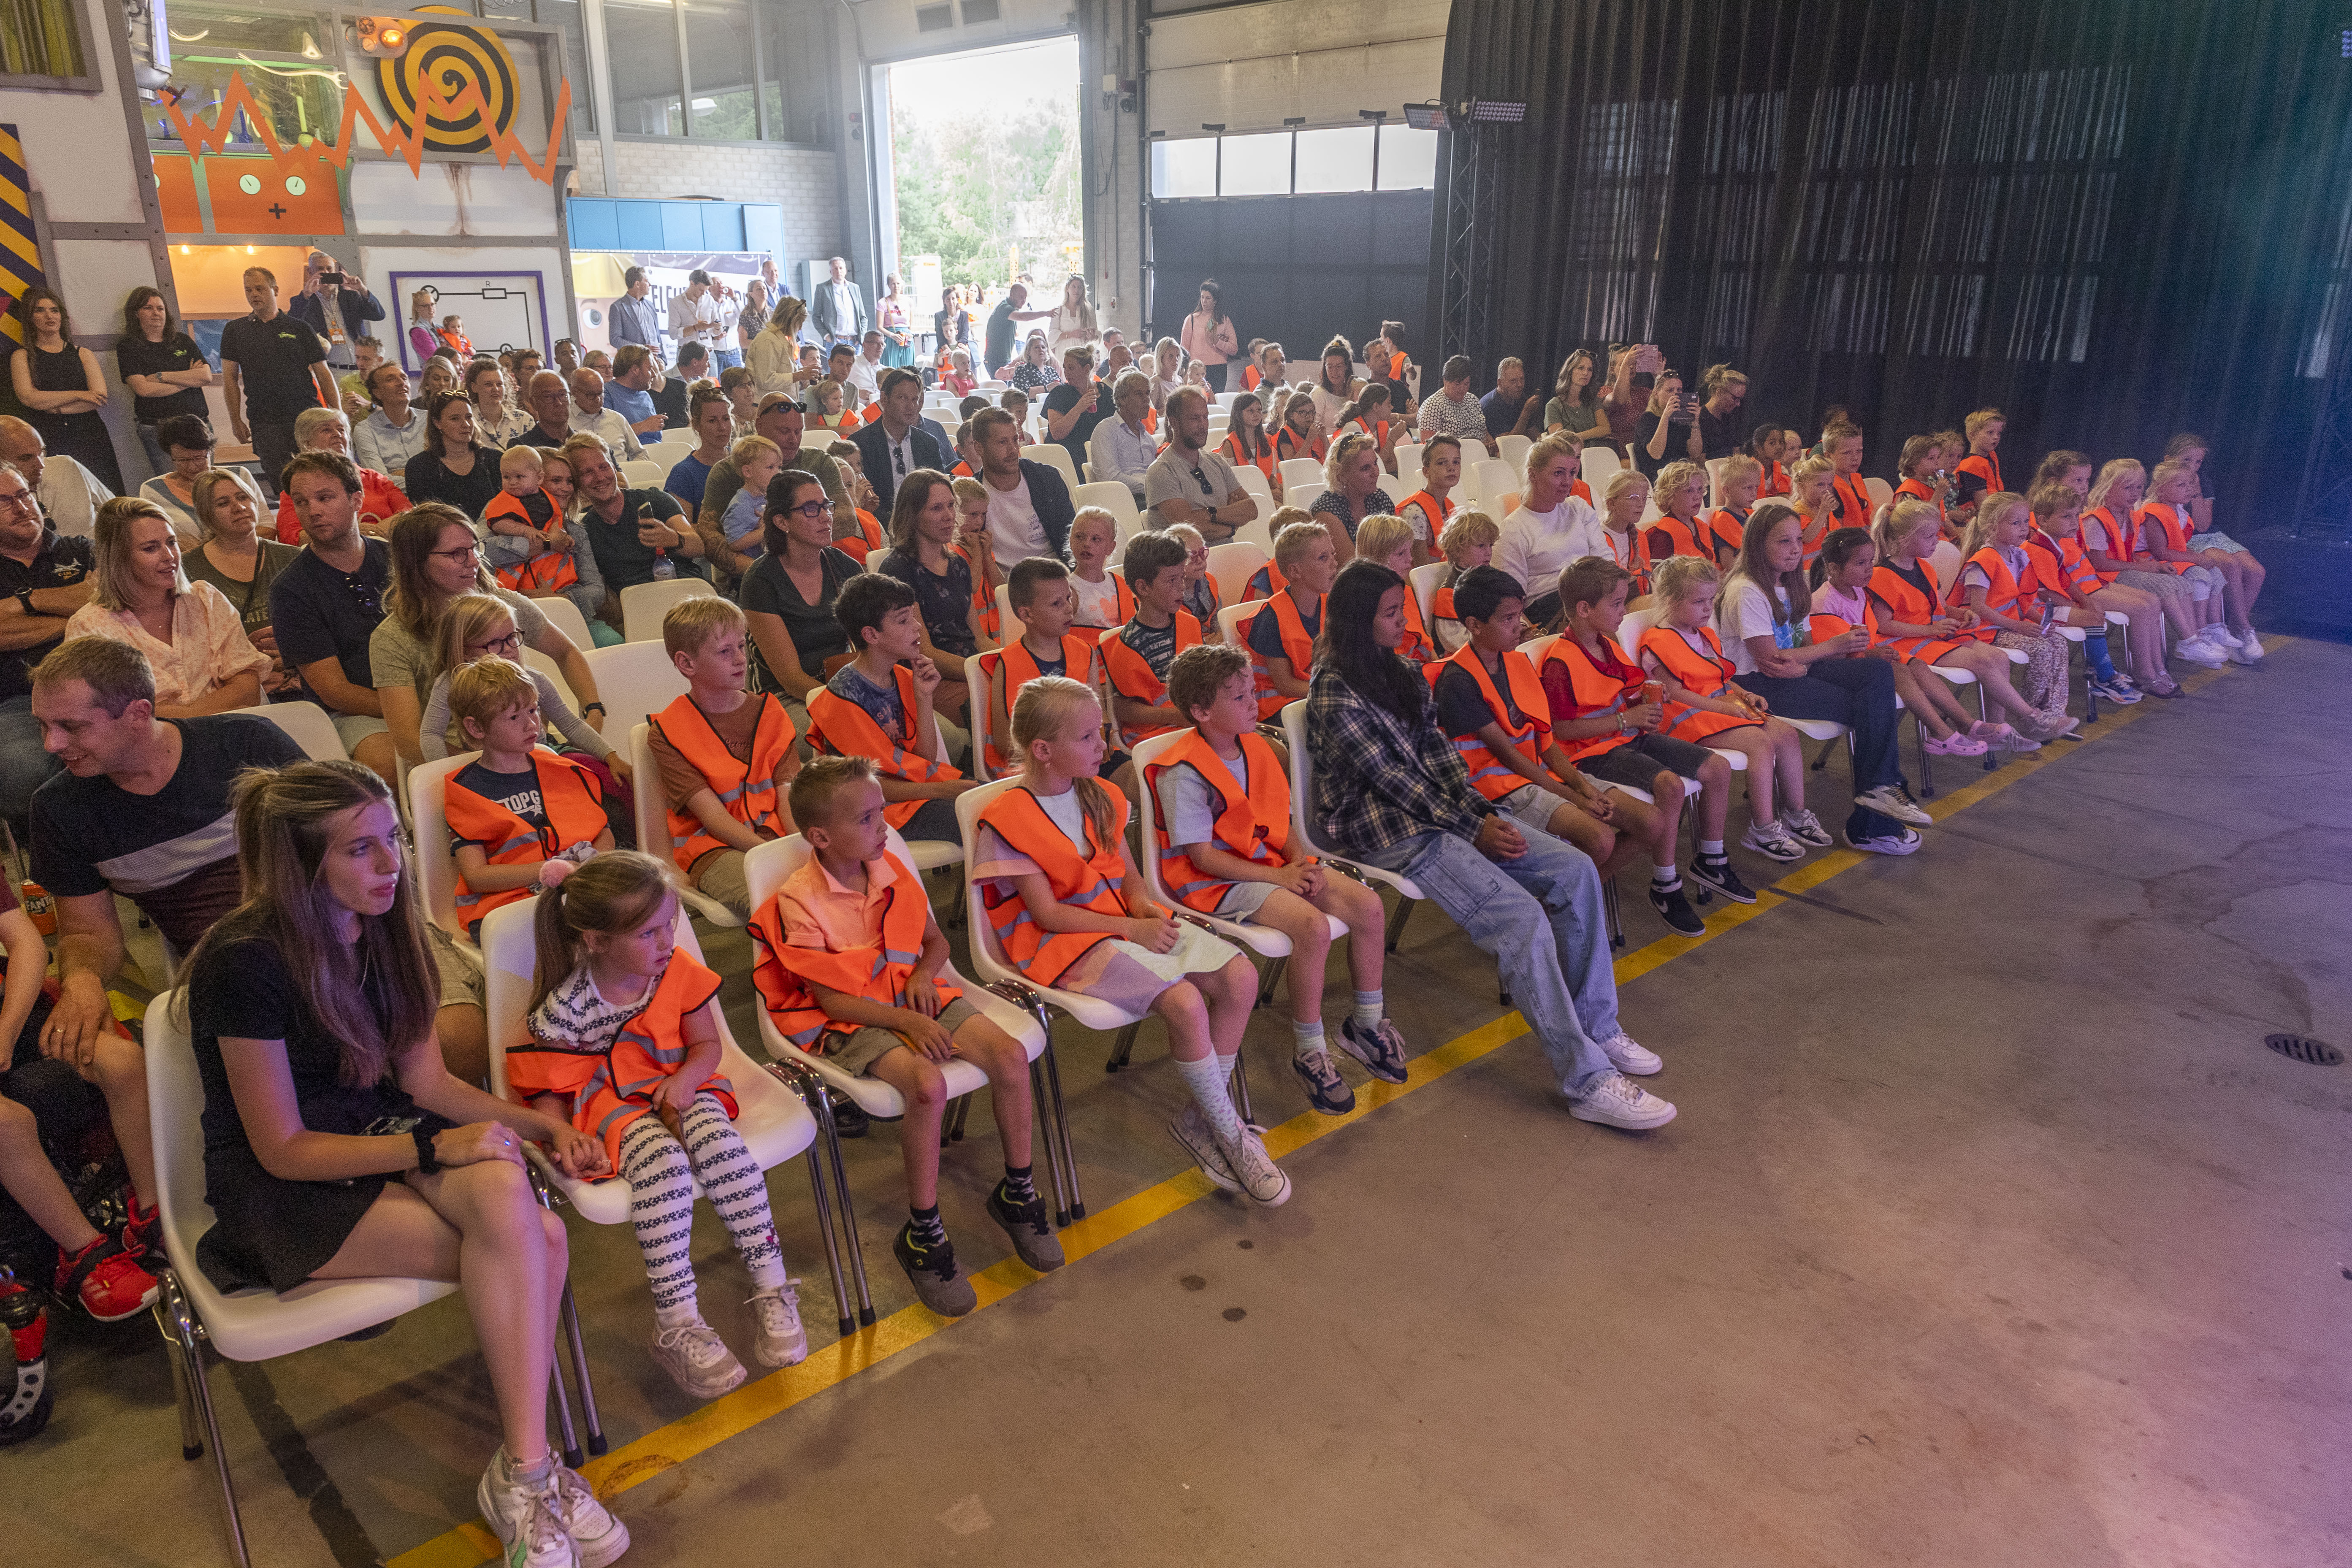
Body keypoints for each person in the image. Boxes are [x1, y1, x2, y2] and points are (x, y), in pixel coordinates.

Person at [177, 759, 617, 1568]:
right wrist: (427, 1147)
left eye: (393, 842)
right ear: (300, 864)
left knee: (502, 1184)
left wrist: (534, 1126)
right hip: (287, 1186)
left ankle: (523, 1471)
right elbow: (281, 1146)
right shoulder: (242, 962)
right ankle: (528, 1474)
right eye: (361, 851)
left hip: (382, 1135)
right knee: (538, 1243)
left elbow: (428, 1084)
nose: (391, 868)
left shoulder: (386, 927)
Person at [1305, 560, 1673, 1127]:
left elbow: (1439, 758)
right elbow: (1391, 782)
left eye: (1402, 608)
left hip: (1444, 815)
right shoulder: (1334, 689)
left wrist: (1480, 811)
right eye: (1389, 613)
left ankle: (1597, 1028)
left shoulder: (1401, 670)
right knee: (1521, 918)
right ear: (1358, 621)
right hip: (1390, 832)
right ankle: (1588, 1081)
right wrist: (1471, 824)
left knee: (1574, 870)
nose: (1403, 621)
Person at [978, 675, 1278, 1197]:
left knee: (1241, 975)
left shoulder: (1102, 795)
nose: (1105, 746)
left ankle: (1202, 1120)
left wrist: (1144, 911)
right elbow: (1046, 915)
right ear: (1044, 750)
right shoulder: (1007, 817)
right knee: (1185, 1003)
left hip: (1122, 922)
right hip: (1063, 943)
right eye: (1090, 737)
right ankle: (1229, 1133)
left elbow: (1132, 881)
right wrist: (1131, 926)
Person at [1152, 636, 1409, 1122]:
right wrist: (1280, 875)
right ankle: (1310, 1048)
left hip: (1274, 866)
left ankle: (1367, 1024)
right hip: (1217, 883)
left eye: (1253, 692)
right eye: (1241, 697)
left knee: (1369, 906)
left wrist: (1301, 863)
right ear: (1201, 711)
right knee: (1311, 928)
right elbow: (1202, 856)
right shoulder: (1182, 770)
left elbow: (1280, 821)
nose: (1255, 703)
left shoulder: (1259, 746)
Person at [28, 637, 302, 1048]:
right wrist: (82, 980)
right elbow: (89, 934)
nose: (52, 744)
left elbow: (338, 845)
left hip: (317, 939)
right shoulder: (59, 809)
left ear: (139, 714)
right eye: (43, 725)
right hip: (228, 986)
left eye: (72, 726)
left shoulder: (246, 745)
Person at [0, 858, 165, 1323]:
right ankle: (83, 1253)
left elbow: (26, 943)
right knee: (9, 1123)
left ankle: (152, 1218)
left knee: (123, 1061)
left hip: (7, 1016)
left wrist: (8, 1030)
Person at [1539, 557, 1706, 934]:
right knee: (1670, 788)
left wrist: (1643, 702)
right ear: (1584, 609)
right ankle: (1643, 884)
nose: (1624, 611)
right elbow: (1560, 730)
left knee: (1706, 770)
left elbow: (1624, 695)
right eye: (1616, 604)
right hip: (1587, 754)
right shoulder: (1559, 662)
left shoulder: (1607, 646)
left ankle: (1586, 888)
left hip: (1623, 739)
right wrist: (1624, 719)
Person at [1429, 563, 1626, 875]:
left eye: (1519, 615)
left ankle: (1571, 895)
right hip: (1500, 788)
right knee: (1600, 839)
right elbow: (1508, 755)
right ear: (1474, 625)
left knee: (1649, 821)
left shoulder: (1518, 661)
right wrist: (1575, 796)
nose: (1519, 626)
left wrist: (1583, 787)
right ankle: (1565, 898)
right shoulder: (1458, 681)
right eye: (1508, 619)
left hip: (1539, 772)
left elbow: (1546, 741)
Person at [1636, 555, 1820, 873]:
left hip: (1720, 706)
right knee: (1759, 743)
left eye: (1711, 600)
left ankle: (1796, 813)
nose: (1708, 609)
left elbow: (1720, 676)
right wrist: (1726, 707)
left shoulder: (1704, 633)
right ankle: (1762, 828)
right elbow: (1676, 693)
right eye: (1699, 602)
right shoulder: (1657, 640)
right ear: (1669, 601)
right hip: (1686, 716)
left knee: (1786, 734)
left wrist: (1742, 693)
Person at [647, 597, 800, 921]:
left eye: (742, 646)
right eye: (725, 651)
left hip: (779, 834)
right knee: (780, 902)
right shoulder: (667, 732)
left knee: (838, 884)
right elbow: (713, 817)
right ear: (687, 664)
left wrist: (799, 845)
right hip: (714, 849)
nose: (741, 659)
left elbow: (789, 794)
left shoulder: (771, 713)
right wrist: (768, 852)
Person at [441, 656, 614, 938]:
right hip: (508, 906)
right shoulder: (467, 790)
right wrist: (553, 870)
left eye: (533, 710)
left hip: (578, 888)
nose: (532, 724)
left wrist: (592, 868)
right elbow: (476, 876)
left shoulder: (562, 769)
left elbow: (602, 832)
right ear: (476, 728)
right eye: (514, 717)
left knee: (639, 897)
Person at [1870, 498, 2067, 743]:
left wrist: (1962, 614)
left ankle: (2000, 729)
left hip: (1932, 634)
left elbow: (1941, 607)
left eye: (1936, 535)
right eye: (1929, 537)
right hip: (1906, 642)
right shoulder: (1881, 575)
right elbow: (1883, 626)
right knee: (1982, 663)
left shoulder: (1925, 568)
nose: (1936, 542)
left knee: (1999, 657)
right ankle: (2032, 718)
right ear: (1903, 539)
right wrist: (1931, 628)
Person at [805, 573, 972, 845]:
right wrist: (944, 790)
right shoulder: (844, 696)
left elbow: (924, 759)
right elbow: (866, 786)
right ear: (871, 635)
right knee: (980, 818)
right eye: (904, 620)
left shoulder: (904, 677)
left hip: (913, 794)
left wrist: (924, 696)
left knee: (998, 801)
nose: (917, 627)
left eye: (913, 617)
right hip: (873, 811)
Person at [63, 496, 266, 716]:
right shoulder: (90, 627)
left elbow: (248, 689)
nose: (170, 557)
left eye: (172, 542)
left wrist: (185, 719)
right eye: (151, 548)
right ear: (118, 558)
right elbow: (117, 718)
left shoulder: (205, 598)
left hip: (232, 732)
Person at [1807, 525, 1992, 751]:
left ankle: (1967, 723)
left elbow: (1867, 636)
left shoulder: (1858, 591)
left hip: (1865, 656)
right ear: (1834, 569)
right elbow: (1829, 652)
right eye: (1860, 564)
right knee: (1902, 672)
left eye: (1870, 561)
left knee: (1918, 666)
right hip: (1838, 666)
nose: (1869, 569)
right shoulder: (1824, 603)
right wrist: (1872, 654)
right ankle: (1941, 732)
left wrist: (1873, 652)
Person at [270, 452, 398, 778]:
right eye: (301, 502)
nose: (313, 511)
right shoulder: (291, 589)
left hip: (423, 691)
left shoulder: (397, 558)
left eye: (325, 497)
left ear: (357, 499)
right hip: (355, 712)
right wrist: (410, 704)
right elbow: (335, 691)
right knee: (385, 763)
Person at [0, 462, 93, 821]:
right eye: (4, 501)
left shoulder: (79, 549)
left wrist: (24, 602)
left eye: (24, 494)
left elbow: (105, 599)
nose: (22, 507)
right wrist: (74, 610)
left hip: (103, 688)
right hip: (21, 701)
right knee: (25, 776)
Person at [2022, 480, 2163, 700]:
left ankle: (2101, 671)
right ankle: (2104, 677)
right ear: (2042, 520)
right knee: (2092, 618)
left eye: (2076, 516)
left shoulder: (2053, 543)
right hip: (2038, 610)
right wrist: (2078, 608)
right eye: (2066, 517)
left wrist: (2087, 603)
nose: (2074, 523)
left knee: (2093, 611)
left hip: (2052, 603)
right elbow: (2046, 593)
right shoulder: (2037, 548)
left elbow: (2066, 581)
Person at [1951, 492, 2077, 737]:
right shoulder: (1983, 560)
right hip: (1987, 630)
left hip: (2009, 624)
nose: (2024, 528)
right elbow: (1979, 607)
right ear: (1991, 528)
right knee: (2041, 650)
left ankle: (2053, 715)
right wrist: (2018, 626)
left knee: (2058, 642)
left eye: (2025, 522)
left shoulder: (2018, 556)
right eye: (2015, 523)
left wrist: (2039, 621)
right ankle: (2031, 717)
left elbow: (2020, 601)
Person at [180, 468, 301, 697]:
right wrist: (248, 665)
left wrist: (293, 652)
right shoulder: (187, 570)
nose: (240, 508)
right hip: (230, 683)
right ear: (206, 515)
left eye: (243, 497)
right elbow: (188, 645)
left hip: (297, 674)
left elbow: (321, 625)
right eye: (224, 503)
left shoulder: (293, 558)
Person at [562, 435, 703, 626]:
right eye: (587, 472)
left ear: (614, 467)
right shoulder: (585, 531)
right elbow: (602, 594)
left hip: (689, 601)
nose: (600, 477)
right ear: (577, 482)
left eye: (604, 467)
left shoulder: (655, 499)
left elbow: (698, 548)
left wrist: (673, 539)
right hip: (638, 612)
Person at [218, 269, 338, 491]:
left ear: (275, 290)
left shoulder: (299, 328)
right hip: (265, 420)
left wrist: (338, 415)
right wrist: (235, 420)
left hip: (305, 415)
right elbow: (230, 379)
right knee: (283, 483)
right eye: (248, 290)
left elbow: (323, 373)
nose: (254, 294)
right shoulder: (235, 330)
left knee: (320, 478)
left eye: (260, 289)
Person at [8, 289, 121, 497]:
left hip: (89, 432)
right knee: (63, 495)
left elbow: (98, 397)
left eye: (54, 310)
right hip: (48, 434)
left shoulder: (82, 353)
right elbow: (29, 398)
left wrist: (56, 406)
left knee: (104, 492)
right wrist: (80, 394)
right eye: (40, 311)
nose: (49, 316)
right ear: (30, 318)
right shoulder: (22, 356)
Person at [1496, 433, 1605, 621]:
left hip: (1592, 593)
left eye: (1572, 473)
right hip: (1548, 606)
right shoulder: (1514, 529)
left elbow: (1604, 558)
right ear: (1533, 475)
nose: (1567, 482)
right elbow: (1509, 597)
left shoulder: (1579, 508)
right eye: (1558, 473)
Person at [268, 406, 411, 543]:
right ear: (307, 442)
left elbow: (408, 513)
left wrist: (377, 531)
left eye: (341, 430)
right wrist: (351, 532)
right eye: (326, 430)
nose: (337, 434)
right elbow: (291, 538)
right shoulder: (296, 489)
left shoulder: (374, 478)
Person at [116, 285, 216, 477]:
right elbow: (144, 390)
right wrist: (188, 379)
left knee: (207, 484)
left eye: (160, 308)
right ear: (136, 313)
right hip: (158, 429)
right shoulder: (129, 347)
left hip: (199, 425)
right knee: (173, 486)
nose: (156, 313)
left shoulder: (182, 341)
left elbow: (205, 377)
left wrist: (162, 376)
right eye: (148, 308)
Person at [1244, 521, 1335, 718]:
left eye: (1333, 555)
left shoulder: (1332, 602)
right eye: (1323, 558)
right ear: (1295, 572)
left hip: (1315, 692)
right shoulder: (1272, 616)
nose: (1334, 564)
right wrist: (1336, 691)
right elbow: (1285, 685)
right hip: (1279, 704)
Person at [1143, 386, 1255, 546]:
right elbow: (1188, 529)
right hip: (1185, 564)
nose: (1203, 425)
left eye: (1205, 417)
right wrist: (1230, 526)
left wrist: (1211, 514)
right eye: (1195, 419)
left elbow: (1251, 509)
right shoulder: (1161, 471)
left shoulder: (1217, 461)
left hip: (1226, 555)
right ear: (1173, 421)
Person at [973, 406, 1076, 569]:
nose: (1013, 450)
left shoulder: (1047, 479)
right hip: (1003, 586)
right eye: (1002, 442)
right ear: (979, 448)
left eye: (1015, 440)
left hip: (1054, 575)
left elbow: (1072, 538)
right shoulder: (972, 495)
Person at [851, 368, 946, 517]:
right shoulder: (860, 444)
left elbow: (941, 492)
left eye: (914, 400)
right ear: (884, 399)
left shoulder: (928, 443)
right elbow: (865, 502)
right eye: (902, 398)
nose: (911, 407)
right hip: (881, 527)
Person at [0, 415, 110, 541]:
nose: (41, 465)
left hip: (95, 555)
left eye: (41, 453)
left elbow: (119, 512)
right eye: (26, 458)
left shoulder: (65, 466)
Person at [398, 391, 501, 517]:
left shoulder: (495, 459)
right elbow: (426, 519)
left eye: (469, 417)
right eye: (455, 419)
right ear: (438, 423)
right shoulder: (419, 467)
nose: (466, 424)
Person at [286, 251, 384, 376]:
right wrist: (306, 295)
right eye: (320, 269)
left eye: (329, 269)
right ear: (310, 272)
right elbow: (292, 325)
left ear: (335, 270)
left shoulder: (351, 297)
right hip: (330, 370)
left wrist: (363, 290)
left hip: (361, 369)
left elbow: (379, 315)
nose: (326, 273)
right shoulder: (305, 301)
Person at [1310, 432, 1393, 560]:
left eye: (1375, 463)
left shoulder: (1380, 499)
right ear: (1342, 476)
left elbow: (1398, 550)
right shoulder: (1327, 510)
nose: (1375, 473)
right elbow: (1353, 569)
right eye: (1365, 468)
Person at [1087, 370, 1160, 502]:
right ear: (1122, 399)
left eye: (1147, 393)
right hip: (1124, 500)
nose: (1146, 399)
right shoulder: (1106, 430)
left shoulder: (1148, 438)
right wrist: (1151, 487)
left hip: (1152, 496)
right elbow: (1110, 478)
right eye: (1139, 394)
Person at [663, 385, 735, 517]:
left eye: (726, 419)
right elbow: (685, 528)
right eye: (712, 421)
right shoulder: (683, 474)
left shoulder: (743, 459)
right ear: (696, 425)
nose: (722, 427)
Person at [352, 360, 430, 481]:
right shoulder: (365, 430)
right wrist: (427, 477)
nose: (401, 383)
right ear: (377, 393)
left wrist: (402, 474)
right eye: (390, 380)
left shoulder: (429, 420)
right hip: (395, 498)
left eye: (404, 378)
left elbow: (447, 467)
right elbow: (380, 481)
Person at [1418, 355, 1498, 457]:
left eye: (1466, 384)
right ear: (1445, 380)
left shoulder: (1472, 399)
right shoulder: (1433, 405)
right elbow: (1428, 447)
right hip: (1454, 459)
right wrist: (1473, 448)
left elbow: (1483, 430)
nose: (1462, 389)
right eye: (1457, 384)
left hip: (1482, 454)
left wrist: (1492, 446)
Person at [1702, 452, 1764, 569]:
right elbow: (1728, 563)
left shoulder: (1753, 515)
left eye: (1756, 487)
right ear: (1727, 491)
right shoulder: (1723, 521)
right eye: (1748, 488)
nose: (1754, 493)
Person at [567, 369, 643, 462]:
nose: (598, 400)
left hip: (623, 473)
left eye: (601, 393)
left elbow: (640, 453)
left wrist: (636, 469)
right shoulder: (566, 422)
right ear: (574, 392)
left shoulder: (616, 418)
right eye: (591, 395)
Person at [1218, 390, 1280, 495]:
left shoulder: (1266, 440)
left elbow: (1269, 476)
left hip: (1265, 491)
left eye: (1259, 410)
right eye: (1251, 411)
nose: (1257, 414)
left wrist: (1277, 489)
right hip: (1244, 495)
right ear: (1239, 414)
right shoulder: (1230, 444)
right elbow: (1233, 484)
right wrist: (1269, 493)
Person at [1179, 281, 1237, 393]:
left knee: (1215, 400)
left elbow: (1234, 349)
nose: (1204, 302)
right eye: (1202, 297)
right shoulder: (1191, 319)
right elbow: (1184, 349)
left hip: (1218, 367)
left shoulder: (1224, 320)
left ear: (1215, 301)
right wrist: (1186, 371)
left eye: (1208, 298)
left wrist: (1218, 341)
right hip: (1197, 368)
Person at [464, 359, 530, 450]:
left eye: (499, 384)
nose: (496, 389)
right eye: (488, 385)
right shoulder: (467, 421)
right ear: (474, 387)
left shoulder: (524, 420)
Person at [1480, 357, 1533, 443]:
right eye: (1514, 381)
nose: (1520, 385)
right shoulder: (1491, 405)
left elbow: (1532, 432)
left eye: (1522, 379)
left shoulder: (1520, 398)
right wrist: (1526, 413)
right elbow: (1508, 445)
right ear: (1500, 383)